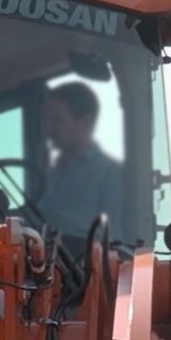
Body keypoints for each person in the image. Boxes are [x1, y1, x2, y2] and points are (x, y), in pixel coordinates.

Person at [35, 82, 124, 244]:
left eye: (57, 121)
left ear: (86, 123)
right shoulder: (51, 174)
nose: (49, 130)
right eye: (48, 122)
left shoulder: (111, 174)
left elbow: (115, 240)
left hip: (85, 266)